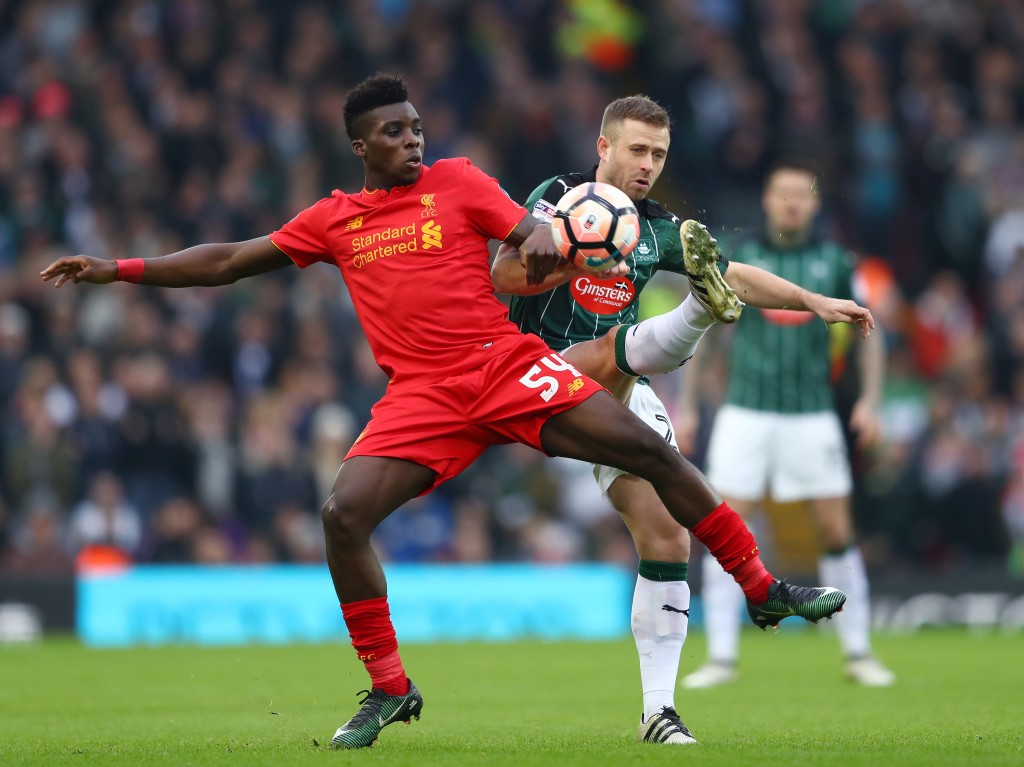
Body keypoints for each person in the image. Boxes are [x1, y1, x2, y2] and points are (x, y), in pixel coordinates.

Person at [41, 74, 852, 750]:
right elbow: (227, 260)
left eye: (417, 127)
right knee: (342, 513)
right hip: (422, 397)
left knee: (651, 451)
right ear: (362, 146)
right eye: (394, 132)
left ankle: (759, 585)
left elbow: (525, 237)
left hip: (503, 365)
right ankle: (388, 687)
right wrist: (119, 269)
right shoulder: (335, 219)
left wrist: (547, 242)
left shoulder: (460, 183)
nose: (413, 140)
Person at [491, 96, 878, 744]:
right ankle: (698, 312)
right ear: (604, 148)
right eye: (638, 150)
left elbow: (740, 274)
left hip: (606, 387)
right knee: (630, 345)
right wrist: (571, 256)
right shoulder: (556, 198)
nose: (648, 165)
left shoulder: (656, 226)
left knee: (668, 536)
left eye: (659, 154)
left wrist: (811, 299)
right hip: (530, 371)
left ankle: (658, 712)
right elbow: (502, 273)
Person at [680, 160, 896, 689]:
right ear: (768, 200)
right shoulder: (741, 257)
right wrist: (687, 405)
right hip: (745, 411)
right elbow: (706, 331)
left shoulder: (835, 262)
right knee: (726, 527)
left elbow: (873, 334)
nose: (792, 203)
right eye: (783, 194)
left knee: (835, 530)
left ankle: (858, 652)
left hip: (812, 414)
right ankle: (722, 658)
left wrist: (870, 401)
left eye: (802, 194)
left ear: (815, 203)